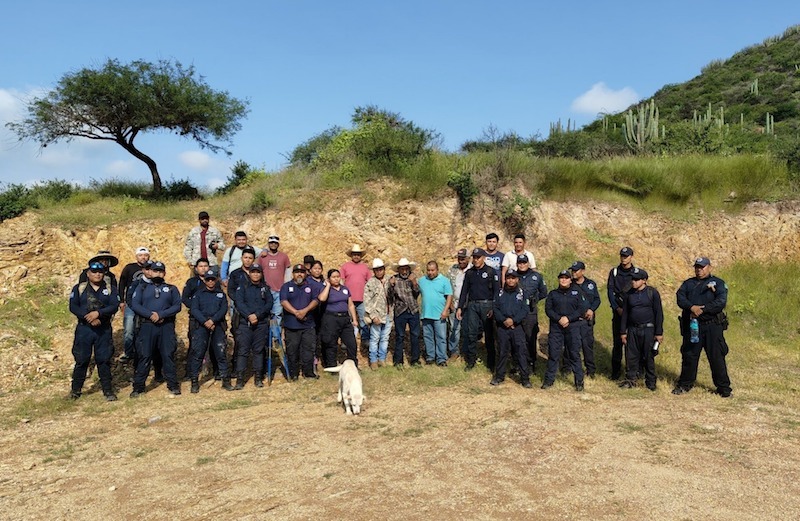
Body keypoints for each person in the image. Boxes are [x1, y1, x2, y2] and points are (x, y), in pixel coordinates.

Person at [673, 257, 732, 398]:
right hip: (693, 326)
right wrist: (691, 307)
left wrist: (703, 309)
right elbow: (680, 298)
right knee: (689, 356)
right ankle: (685, 385)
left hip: (712, 326)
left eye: (702, 267)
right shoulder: (688, 284)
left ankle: (724, 389)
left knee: (717, 357)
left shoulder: (718, 283)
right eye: (697, 267)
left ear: (709, 267)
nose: (699, 270)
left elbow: (721, 302)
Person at [68, 260, 120, 401]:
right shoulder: (79, 288)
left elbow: (114, 305)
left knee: (104, 360)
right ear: (88, 273)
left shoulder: (110, 289)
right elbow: (73, 306)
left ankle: (108, 391)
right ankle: (75, 391)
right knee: (82, 359)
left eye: (100, 272)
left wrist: (99, 314)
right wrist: (89, 317)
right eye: (94, 272)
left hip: (103, 329)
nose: (97, 274)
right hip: (84, 329)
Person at [129, 261, 183, 397]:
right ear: (150, 272)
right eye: (155, 271)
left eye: (160, 271)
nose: (158, 273)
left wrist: (161, 314)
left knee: (168, 355)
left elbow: (177, 306)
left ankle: (172, 385)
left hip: (166, 326)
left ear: (164, 273)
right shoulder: (141, 288)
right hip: (147, 326)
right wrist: (150, 315)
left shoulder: (171, 288)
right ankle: (139, 387)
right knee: (144, 355)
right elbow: (135, 304)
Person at [188, 268, 233, 393]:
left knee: (221, 353)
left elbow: (223, 309)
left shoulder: (221, 295)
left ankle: (225, 380)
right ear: (205, 281)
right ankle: (194, 382)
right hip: (201, 327)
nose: (211, 282)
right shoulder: (198, 294)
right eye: (208, 279)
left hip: (217, 326)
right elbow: (194, 310)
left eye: (213, 279)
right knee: (198, 354)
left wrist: (213, 321)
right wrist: (205, 321)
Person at [620, 268, 663, 391]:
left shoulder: (652, 293)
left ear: (644, 280)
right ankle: (630, 380)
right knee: (631, 356)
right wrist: (623, 332)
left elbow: (658, 313)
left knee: (648, 356)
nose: (633, 281)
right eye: (632, 279)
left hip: (648, 329)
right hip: (633, 329)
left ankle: (650, 382)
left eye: (636, 279)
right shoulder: (629, 294)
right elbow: (625, 314)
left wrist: (658, 332)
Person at [456, 248, 500, 371]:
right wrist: (460, 307)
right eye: (474, 257)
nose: (476, 260)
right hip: (472, 306)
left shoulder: (491, 272)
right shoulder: (469, 273)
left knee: (489, 334)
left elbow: (497, 292)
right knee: (471, 334)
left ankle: (491, 363)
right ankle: (471, 361)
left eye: (478, 257)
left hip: (487, 305)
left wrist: (494, 307)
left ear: (484, 258)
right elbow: (464, 291)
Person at [542, 270, 585, 391]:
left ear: (571, 280)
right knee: (554, 354)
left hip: (573, 327)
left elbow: (581, 309)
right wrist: (559, 318)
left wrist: (568, 318)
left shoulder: (577, 293)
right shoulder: (553, 294)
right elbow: (548, 310)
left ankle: (579, 382)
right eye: (561, 278)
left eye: (566, 278)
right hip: (556, 328)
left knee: (574, 354)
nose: (564, 280)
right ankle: (548, 381)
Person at [232, 263, 273, 389]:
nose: (255, 274)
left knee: (258, 351)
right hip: (245, 323)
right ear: (249, 274)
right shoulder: (242, 287)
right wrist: (249, 315)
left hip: (260, 324)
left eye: (258, 272)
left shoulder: (265, 288)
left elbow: (269, 303)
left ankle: (258, 378)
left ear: (261, 274)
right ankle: (240, 379)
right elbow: (239, 303)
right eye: (253, 272)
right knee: (243, 351)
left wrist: (258, 315)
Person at [281, 264, 323, 379]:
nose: (299, 274)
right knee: (292, 350)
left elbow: (315, 300)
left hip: (308, 325)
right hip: (291, 325)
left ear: (305, 274)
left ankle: (308, 373)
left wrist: (305, 311)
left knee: (308, 350)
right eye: (297, 272)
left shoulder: (311, 286)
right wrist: (296, 312)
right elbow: (284, 302)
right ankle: (293, 373)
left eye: (302, 272)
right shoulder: (286, 286)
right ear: (293, 274)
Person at [491, 270, 532, 388]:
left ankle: (525, 379)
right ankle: (499, 376)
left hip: (517, 327)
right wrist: (504, 320)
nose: (510, 280)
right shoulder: (499, 292)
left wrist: (514, 321)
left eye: (513, 278)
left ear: (517, 279)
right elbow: (495, 308)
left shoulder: (522, 293)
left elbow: (525, 309)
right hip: (502, 327)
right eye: (508, 278)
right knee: (502, 352)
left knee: (521, 352)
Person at [182, 258, 218, 380]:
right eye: (200, 266)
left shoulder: (213, 281)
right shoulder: (192, 282)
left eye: (205, 266)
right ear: (196, 269)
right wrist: (196, 309)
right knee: (195, 345)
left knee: (214, 345)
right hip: (196, 319)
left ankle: (216, 371)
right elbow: (185, 298)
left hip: (213, 319)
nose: (203, 268)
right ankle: (190, 372)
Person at [319, 268, 358, 368]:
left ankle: (353, 365)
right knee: (331, 343)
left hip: (345, 318)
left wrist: (354, 319)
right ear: (329, 279)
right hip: (331, 318)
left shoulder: (345, 289)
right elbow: (322, 298)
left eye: (338, 277)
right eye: (333, 277)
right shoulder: (326, 289)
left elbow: (350, 305)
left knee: (351, 343)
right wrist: (327, 285)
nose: (336, 279)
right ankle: (331, 365)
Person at [607, 246, 636, 380]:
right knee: (617, 344)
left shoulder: (636, 273)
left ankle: (632, 372)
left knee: (632, 344)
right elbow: (610, 291)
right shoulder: (614, 272)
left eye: (626, 256)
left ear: (631, 257)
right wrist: (616, 308)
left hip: (632, 313)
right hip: (618, 312)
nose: (624, 259)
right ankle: (615, 372)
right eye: (622, 256)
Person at [570, 260, 602, 378]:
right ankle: (569, 369)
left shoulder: (590, 284)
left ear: (582, 271)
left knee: (587, 346)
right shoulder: (570, 284)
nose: (573, 273)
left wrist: (591, 310)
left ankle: (590, 370)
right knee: (572, 346)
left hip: (586, 320)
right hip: (573, 320)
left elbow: (597, 300)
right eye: (572, 270)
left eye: (576, 270)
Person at [118, 246, 150, 363]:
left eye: (145, 255)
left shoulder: (152, 267)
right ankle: (128, 353)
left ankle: (144, 353)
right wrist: (121, 301)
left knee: (145, 330)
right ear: (136, 256)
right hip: (130, 304)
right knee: (129, 329)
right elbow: (121, 284)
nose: (143, 257)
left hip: (146, 304)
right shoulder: (129, 268)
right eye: (141, 255)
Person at [388, 257, 421, 367]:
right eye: (402, 269)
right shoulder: (394, 279)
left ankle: (415, 360)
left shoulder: (413, 278)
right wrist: (391, 286)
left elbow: (417, 294)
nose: (404, 271)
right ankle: (398, 361)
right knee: (400, 336)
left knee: (415, 335)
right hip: (400, 311)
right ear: (399, 270)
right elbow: (390, 297)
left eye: (406, 269)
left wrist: (414, 283)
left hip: (413, 310)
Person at [418, 261, 453, 366]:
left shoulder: (445, 281)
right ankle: (430, 357)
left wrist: (445, 310)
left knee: (441, 337)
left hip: (439, 314)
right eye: (428, 270)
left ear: (437, 270)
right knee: (428, 337)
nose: (430, 272)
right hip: (426, 313)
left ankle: (441, 358)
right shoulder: (422, 281)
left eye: (432, 270)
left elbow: (449, 296)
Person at [516, 254, 547, 372]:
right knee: (518, 338)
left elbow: (544, 292)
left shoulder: (536, 276)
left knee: (530, 337)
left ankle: (531, 362)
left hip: (530, 312)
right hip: (517, 311)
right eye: (520, 263)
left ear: (528, 263)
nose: (522, 265)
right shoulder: (513, 276)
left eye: (524, 262)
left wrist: (535, 299)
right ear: (517, 264)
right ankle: (518, 363)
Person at [363, 258, 393, 369]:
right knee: (375, 338)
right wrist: (373, 315)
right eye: (377, 270)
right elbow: (367, 300)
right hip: (377, 315)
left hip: (388, 314)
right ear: (374, 271)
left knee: (385, 338)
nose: (379, 272)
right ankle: (374, 360)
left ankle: (382, 358)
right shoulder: (370, 283)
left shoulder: (390, 280)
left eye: (381, 269)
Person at [340, 244, 372, 345]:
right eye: (354, 254)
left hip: (362, 299)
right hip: (348, 299)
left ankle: (365, 339)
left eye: (358, 254)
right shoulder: (345, 266)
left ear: (361, 256)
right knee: (348, 320)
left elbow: (370, 282)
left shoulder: (365, 267)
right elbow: (341, 281)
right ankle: (347, 341)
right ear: (351, 255)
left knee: (364, 320)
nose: (356, 256)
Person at [257, 235, 291, 326]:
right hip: (265, 290)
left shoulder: (284, 257)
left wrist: (286, 287)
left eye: (275, 243)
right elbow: (257, 272)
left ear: (278, 244)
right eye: (271, 243)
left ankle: (275, 337)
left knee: (277, 314)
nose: (273, 245)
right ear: (268, 244)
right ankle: (265, 336)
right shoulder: (262, 256)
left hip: (279, 290)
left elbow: (288, 273)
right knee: (264, 313)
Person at [446, 249, 471, 360]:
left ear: (468, 258)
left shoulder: (473, 269)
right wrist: (449, 302)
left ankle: (466, 351)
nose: (461, 261)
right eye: (459, 258)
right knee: (454, 329)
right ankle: (454, 351)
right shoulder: (452, 270)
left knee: (467, 329)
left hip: (468, 305)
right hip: (454, 304)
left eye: (463, 258)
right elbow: (447, 287)